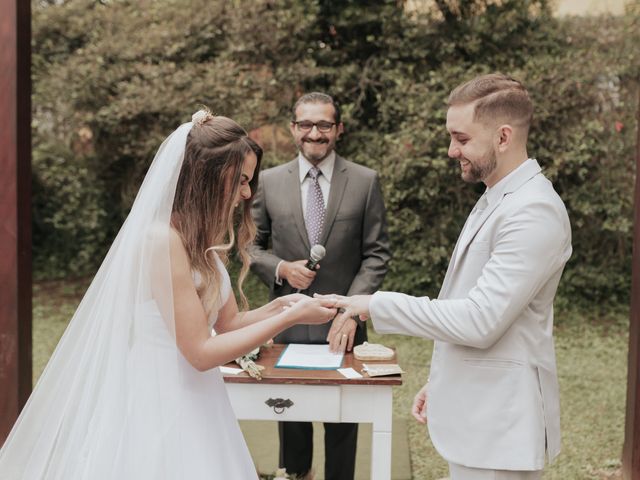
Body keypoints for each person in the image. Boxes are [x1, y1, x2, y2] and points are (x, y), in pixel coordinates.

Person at [0, 111, 337, 479]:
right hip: (161, 401)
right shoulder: (162, 241)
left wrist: (284, 304)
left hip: (200, 398)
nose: (246, 193)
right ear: (209, 174)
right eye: (241, 179)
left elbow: (228, 324)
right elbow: (199, 353)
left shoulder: (199, 240)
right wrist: (289, 319)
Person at [320, 74, 572, 480]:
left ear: (503, 137)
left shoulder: (533, 211)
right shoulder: (498, 195)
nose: (452, 150)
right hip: (479, 413)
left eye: (462, 138)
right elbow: (466, 298)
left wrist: (375, 303)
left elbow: (480, 320)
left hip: (500, 428)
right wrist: (445, 382)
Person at [250, 92, 391, 480]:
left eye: (324, 125)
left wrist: (351, 309)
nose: (315, 133)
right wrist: (280, 267)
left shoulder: (365, 181)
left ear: (338, 129)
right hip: (286, 324)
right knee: (289, 417)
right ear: (294, 129)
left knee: (343, 424)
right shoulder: (267, 181)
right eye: (307, 125)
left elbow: (376, 254)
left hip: (342, 326)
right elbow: (249, 246)